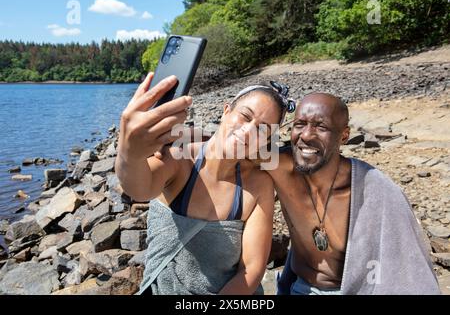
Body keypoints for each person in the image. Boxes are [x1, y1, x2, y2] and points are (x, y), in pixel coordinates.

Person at [115, 73, 295, 295]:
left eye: (262, 130)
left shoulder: (258, 185)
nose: (248, 132)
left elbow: (251, 270)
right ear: (226, 110)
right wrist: (129, 152)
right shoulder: (181, 158)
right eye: (245, 117)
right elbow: (138, 188)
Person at [265, 92, 441, 295]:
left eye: (321, 127)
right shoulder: (281, 169)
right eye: (299, 124)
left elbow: (407, 269)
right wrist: (275, 102)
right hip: (299, 287)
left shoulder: (374, 189)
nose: (306, 135)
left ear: (344, 136)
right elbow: (237, 147)